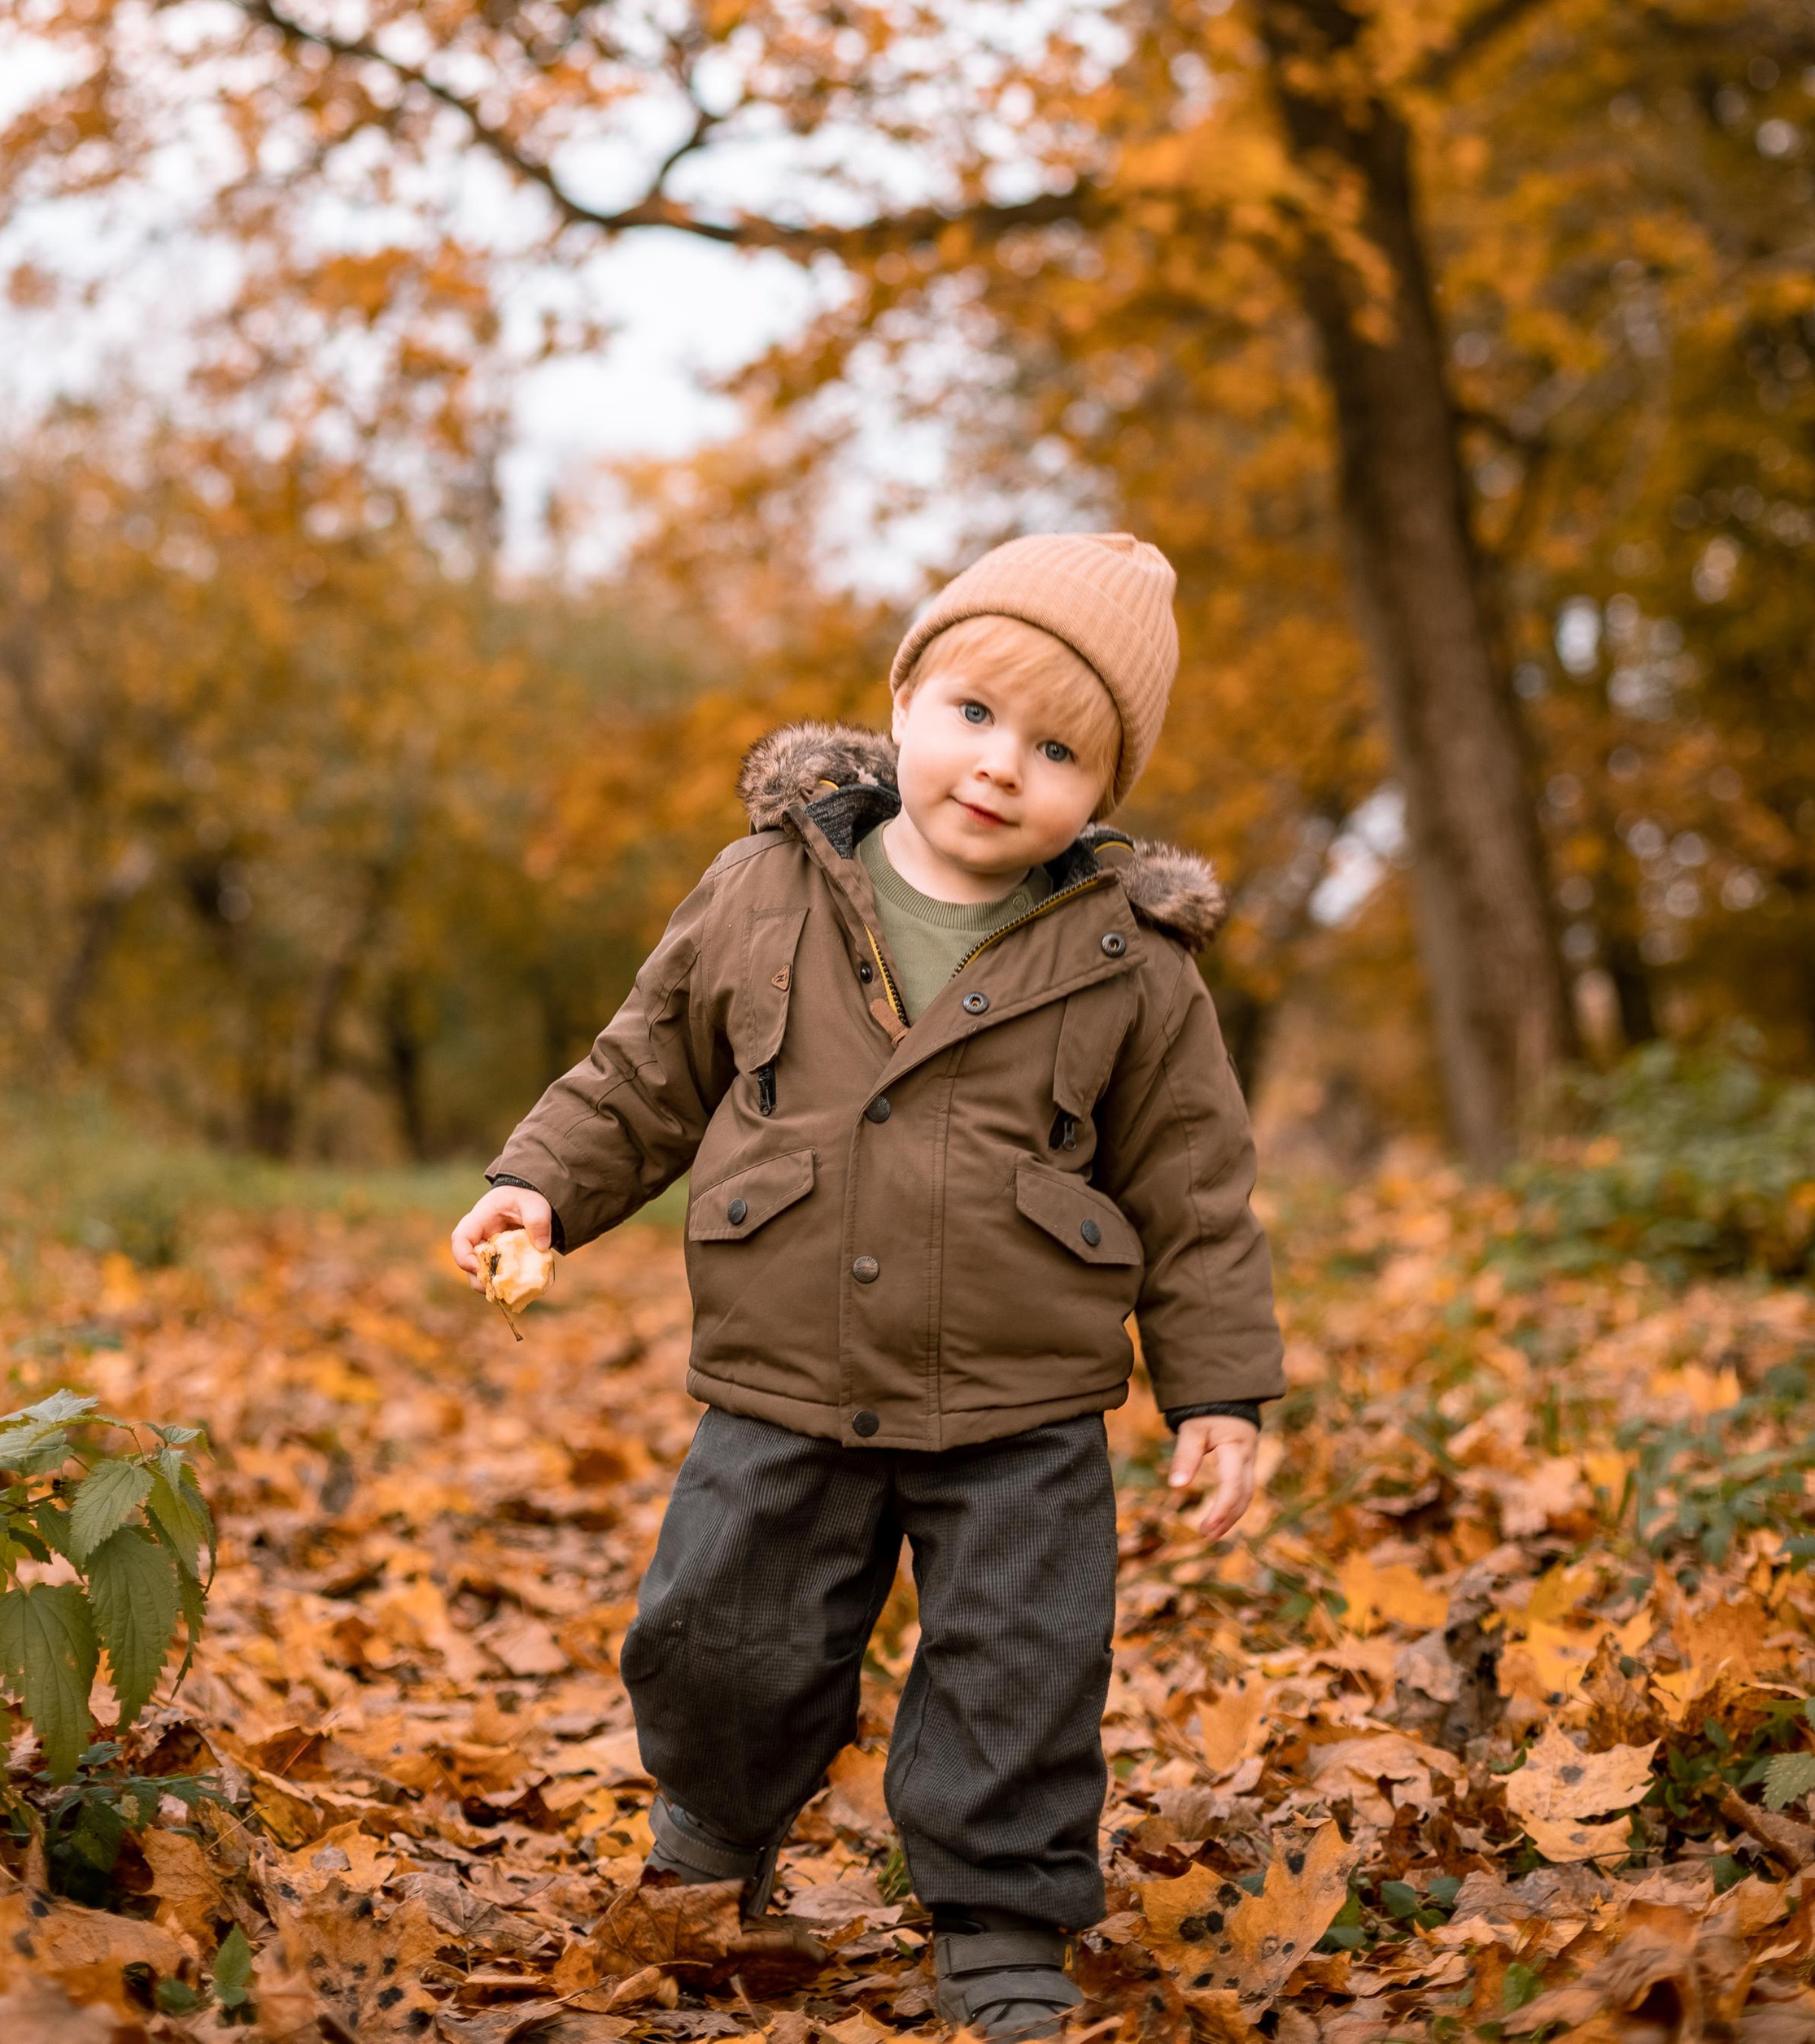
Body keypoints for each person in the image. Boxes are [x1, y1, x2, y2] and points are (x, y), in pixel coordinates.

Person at [451, 532, 1283, 2038]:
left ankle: (1003, 1913)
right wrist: (542, 1186)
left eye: (1055, 749)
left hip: (1020, 1398)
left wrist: (1220, 1390)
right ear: (903, 699)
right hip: (787, 1368)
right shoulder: (766, 886)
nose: (998, 765)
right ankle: (713, 1830)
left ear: (1103, 793)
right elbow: (648, 1072)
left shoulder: (1133, 962)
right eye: (972, 712)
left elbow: (1195, 1191)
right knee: (726, 1627)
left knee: (1020, 1663)